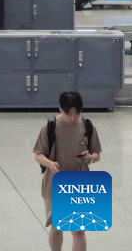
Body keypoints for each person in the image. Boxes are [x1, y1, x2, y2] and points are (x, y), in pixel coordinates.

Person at [33, 91, 103, 251]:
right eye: (68, 114)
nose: (72, 118)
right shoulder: (50, 127)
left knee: (78, 230)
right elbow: (38, 155)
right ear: (60, 109)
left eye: (76, 113)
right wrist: (50, 164)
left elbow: (97, 154)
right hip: (55, 183)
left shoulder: (87, 126)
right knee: (57, 226)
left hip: (80, 182)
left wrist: (90, 157)